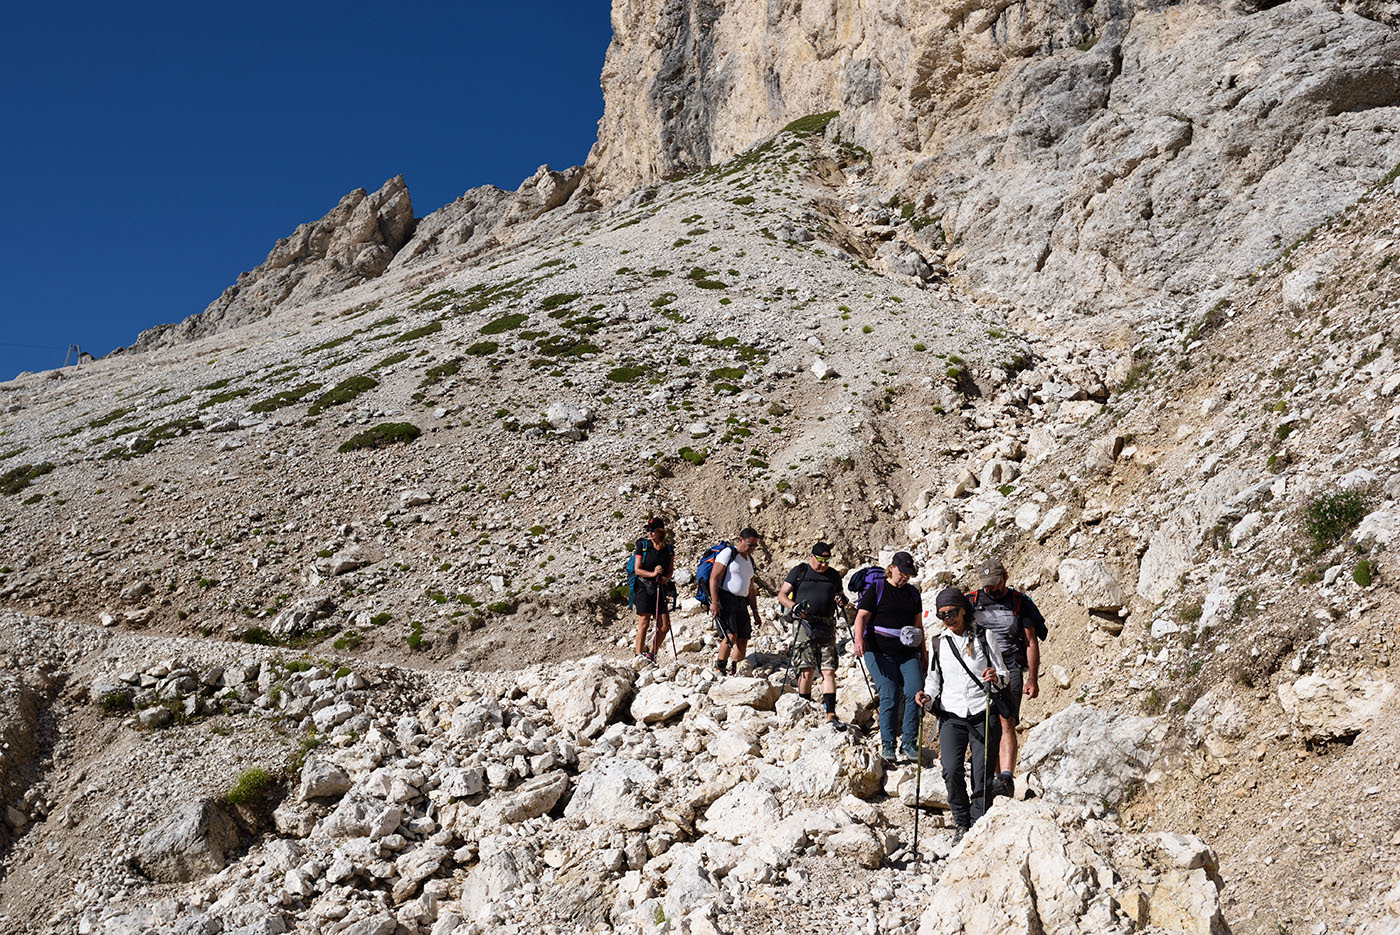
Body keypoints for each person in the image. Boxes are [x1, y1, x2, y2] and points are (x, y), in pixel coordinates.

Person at [914, 588, 1009, 843]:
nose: (948, 618)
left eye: (952, 612)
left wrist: (995, 678)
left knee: (982, 772)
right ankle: (961, 821)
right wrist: (927, 697)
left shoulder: (985, 636)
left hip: (982, 710)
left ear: (963, 609)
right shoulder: (938, 643)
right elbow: (934, 680)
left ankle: (978, 822)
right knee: (951, 769)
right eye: (942, 614)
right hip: (951, 713)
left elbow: (1004, 674)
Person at [968, 557, 1045, 799]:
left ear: (1005, 578)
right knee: (984, 723)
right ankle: (993, 777)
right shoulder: (971, 601)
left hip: (1010, 666)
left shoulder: (1019, 603)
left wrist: (1032, 678)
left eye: (994, 583)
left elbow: (1031, 642)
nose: (990, 588)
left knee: (1006, 721)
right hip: (980, 667)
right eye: (986, 584)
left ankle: (1006, 777)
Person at [851, 551, 925, 763]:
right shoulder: (878, 588)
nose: (905, 578)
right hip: (877, 650)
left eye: (908, 575)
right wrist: (859, 640)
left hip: (907, 651)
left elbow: (919, 626)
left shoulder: (912, 593)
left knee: (915, 691)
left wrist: (924, 653)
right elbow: (861, 617)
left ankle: (909, 742)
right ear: (892, 568)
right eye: (902, 573)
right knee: (889, 692)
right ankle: (889, 744)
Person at [778, 541, 849, 728]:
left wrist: (842, 599)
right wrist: (795, 607)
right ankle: (805, 706)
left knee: (829, 670)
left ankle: (830, 713)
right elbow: (782, 595)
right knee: (806, 670)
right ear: (811, 556)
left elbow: (841, 596)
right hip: (805, 623)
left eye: (827, 560)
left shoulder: (833, 575)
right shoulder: (799, 572)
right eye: (820, 560)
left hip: (827, 624)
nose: (824, 564)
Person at [710, 528, 762, 676]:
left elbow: (751, 589)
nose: (752, 548)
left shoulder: (750, 560)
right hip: (726, 598)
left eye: (755, 546)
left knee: (743, 637)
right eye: (750, 544)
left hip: (742, 601)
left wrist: (755, 612)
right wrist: (714, 602)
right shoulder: (728, 553)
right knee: (730, 635)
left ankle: (735, 670)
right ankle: (720, 667)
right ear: (740, 540)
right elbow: (714, 577)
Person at [631, 518, 674, 664]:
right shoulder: (642, 546)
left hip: (659, 588)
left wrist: (666, 579)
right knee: (644, 621)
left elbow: (670, 571)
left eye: (652, 530)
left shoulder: (668, 549)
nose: (649, 533)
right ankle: (638, 655)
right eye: (648, 530)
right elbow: (637, 570)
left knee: (664, 626)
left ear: (660, 532)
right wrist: (653, 574)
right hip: (643, 587)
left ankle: (651, 653)